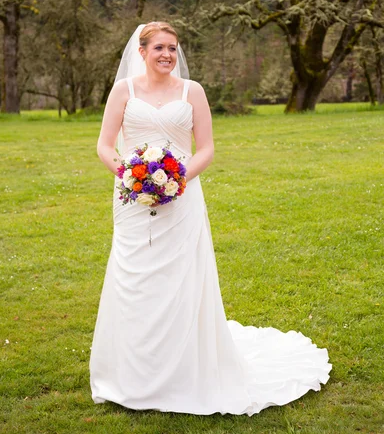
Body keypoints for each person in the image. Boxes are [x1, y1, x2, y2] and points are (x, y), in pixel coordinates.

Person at [89, 21, 332, 416]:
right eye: (159, 48)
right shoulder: (124, 90)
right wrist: (130, 175)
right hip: (132, 199)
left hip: (181, 196)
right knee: (133, 278)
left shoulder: (192, 91)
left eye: (173, 48)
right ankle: (132, 375)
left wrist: (178, 178)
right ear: (143, 51)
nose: (167, 54)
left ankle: (186, 372)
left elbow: (206, 148)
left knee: (181, 278)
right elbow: (104, 144)